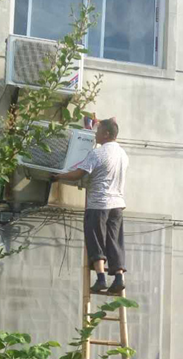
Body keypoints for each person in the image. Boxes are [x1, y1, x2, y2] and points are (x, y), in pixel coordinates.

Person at [53, 118, 129, 294]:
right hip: (117, 205)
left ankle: (101, 278)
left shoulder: (98, 154)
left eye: (98, 131)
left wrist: (58, 176)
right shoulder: (123, 155)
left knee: (95, 240)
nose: (95, 134)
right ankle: (118, 278)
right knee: (114, 241)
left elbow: (78, 174)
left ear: (106, 134)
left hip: (98, 204)